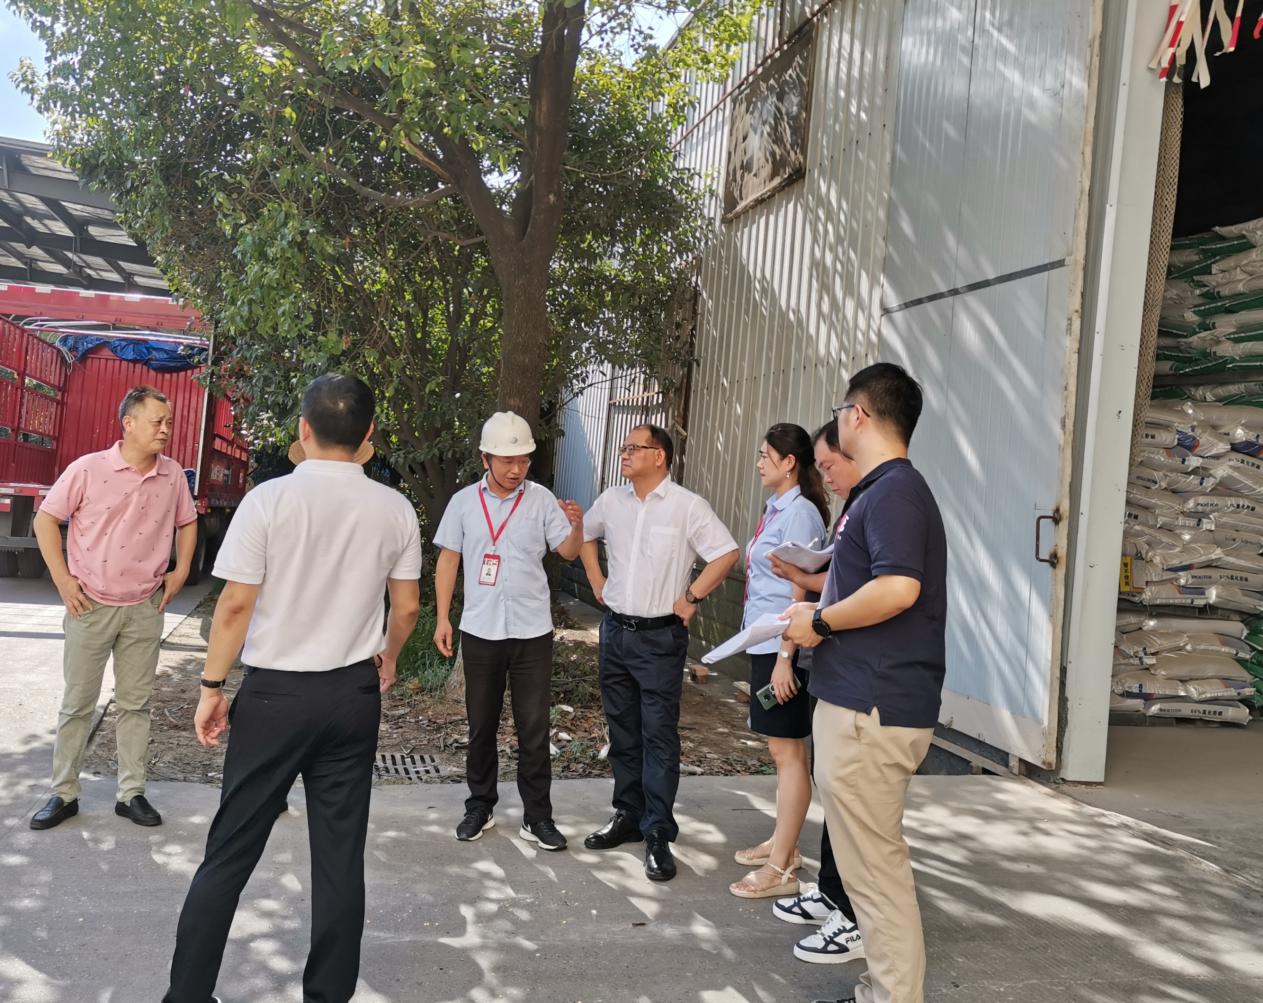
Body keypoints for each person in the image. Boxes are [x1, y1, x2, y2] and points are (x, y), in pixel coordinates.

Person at [162, 374, 423, 1003]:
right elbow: (408, 607)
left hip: (275, 697)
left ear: (303, 429)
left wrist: (211, 685)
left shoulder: (268, 500)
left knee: (229, 851)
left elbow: (234, 607)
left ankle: (187, 995)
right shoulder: (394, 508)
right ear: (368, 435)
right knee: (339, 858)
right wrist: (387, 657)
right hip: (352, 697)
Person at [784, 363, 948, 1003]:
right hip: (861, 703)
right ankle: (879, 990)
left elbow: (899, 587)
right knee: (867, 870)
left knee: (875, 874)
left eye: (840, 410)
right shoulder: (882, 490)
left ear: (858, 415)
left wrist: (820, 621)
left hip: (870, 709)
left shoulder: (894, 492)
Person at [29, 386, 198, 831]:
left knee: (135, 705)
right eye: (157, 421)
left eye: (169, 422)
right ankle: (64, 793)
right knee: (77, 704)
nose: (165, 429)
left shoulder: (172, 475)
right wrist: (63, 580)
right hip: (90, 605)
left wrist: (181, 570)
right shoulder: (88, 469)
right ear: (129, 423)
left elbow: (187, 522)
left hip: (144, 607)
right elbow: (45, 519)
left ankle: (131, 794)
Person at [580, 423, 739, 881]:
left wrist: (692, 597)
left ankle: (657, 832)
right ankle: (628, 815)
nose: (625, 454)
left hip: (659, 639)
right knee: (622, 730)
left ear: (660, 456)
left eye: (634, 448)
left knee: (658, 735)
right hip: (616, 632)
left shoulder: (687, 506)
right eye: (623, 447)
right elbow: (583, 534)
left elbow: (726, 553)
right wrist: (595, 579)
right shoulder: (612, 500)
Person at [432, 411, 584, 850]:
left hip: (532, 632)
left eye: (523, 460)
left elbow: (567, 551)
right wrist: (443, 618)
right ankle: (479, 807)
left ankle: (537, 817)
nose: (517, 469)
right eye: (507, 460)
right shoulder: (464, 503)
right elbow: (448, 560)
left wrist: (576, 525)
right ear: (486, 458)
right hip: (481, 630)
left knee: (533, 728)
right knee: (481, 726)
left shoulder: (541, 500)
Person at [769, 421, 865, 966]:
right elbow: (840, 583)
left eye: (830, 465)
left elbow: (881, 590)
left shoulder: (885, 503)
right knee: (835, 791)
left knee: (854, 805)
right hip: (833, 669)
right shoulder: (854, 509)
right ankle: (832, 893)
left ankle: (853, 915)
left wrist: (808, 613)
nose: (824, 476)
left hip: (862, 685)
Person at [728, 423, 828, 900]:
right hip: (766, 642)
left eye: (765, 455)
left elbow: (801, 588)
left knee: (789, 755)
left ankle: (782, 866)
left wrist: (787, 657)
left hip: (782, 646)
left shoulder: (801, 514)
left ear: (790, 462)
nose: (758, 463)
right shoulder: (779, 508)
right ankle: (783, 843)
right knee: (781, 751)